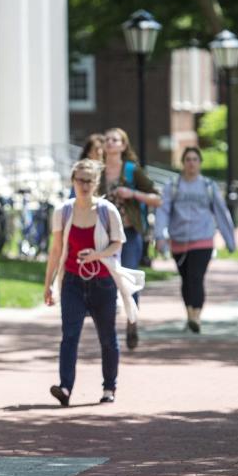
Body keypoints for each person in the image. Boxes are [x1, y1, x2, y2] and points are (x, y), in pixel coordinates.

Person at [43, 159, 144, 406]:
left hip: (102, 282)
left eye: (89, 180)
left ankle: (109, 387)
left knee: (107, 337)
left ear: (96, 182)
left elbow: (118, 242)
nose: (85, 185)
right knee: (69, 336)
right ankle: (65, 388)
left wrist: (97, 255)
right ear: (73, 182)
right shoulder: (63, 212)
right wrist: (48, 283)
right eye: (80, 180)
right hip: (72, 283)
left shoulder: (107, 211)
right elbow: (56, 250)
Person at [154, 147, 236, 333]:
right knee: (185, 279)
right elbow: (163, 211)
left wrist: (229, 239)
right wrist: (160, 236)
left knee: (196, 277)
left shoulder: (208, 186)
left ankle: (196, 316)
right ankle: (190, 313)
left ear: (200, 163)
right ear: (183, 163)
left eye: (195, 159)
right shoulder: (173, 186)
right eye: (188, 159)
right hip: (179, 240)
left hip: (203, 239)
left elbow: (221, 212)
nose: (191, 163)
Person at [97, 127, 161, 349]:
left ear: (124, 145)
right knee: (106, 279)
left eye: (115, 140)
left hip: (129, 233)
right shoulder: (98, 171)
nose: (110, 143)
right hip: (103, 234)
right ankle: (108, 326)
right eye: (107, 140)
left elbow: (157, 197)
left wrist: (132, 194)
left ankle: (132, 322)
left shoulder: (132, 170)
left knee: (129, 277)